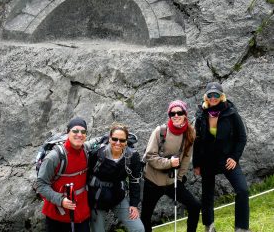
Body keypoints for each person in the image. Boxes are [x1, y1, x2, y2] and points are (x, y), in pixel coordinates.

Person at [193, 82, 250, 232]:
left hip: (227, 159)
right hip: (207, 160)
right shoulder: (200, 114)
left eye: (216, 94)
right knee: (207, 195)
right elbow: (197, 141)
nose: (213, 97)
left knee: (243, 190)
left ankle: (241, 228)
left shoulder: (231, 113)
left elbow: (242, 137)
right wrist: (196, 164)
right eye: (210, 95)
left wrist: (234, 157)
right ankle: (209, 226)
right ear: (206, 97)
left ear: (222, 96)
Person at [141, 100, 201, 232]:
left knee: (195, 206)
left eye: (179, 112)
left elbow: (186, 158)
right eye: (172, 113)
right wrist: (169, 163)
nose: (176, 115)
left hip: (172, 182)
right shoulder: (159, 131)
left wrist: (179, 178)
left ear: (185, 114)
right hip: (152, 182)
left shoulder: (190, 133)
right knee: (145, 216)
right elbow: (149, 156)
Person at [88, 123, 144, 232]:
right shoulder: (98, 154)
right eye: (115, 139)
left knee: (138, 229)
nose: (118, 143)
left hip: (118, 196)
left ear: (126, 142)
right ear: (109, 139)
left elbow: (135, 180)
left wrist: (134, 204)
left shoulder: (132, 156)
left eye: (122, 140)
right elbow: (86, 174)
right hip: (97, 198)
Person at [37, 117, 90, 232]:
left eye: (83, 131)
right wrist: (61, 200)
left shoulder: (86, 150)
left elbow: (96, 141)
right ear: (68, 132)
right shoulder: (54, 157)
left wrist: (113, 137)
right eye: (75, 131)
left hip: (81, 213)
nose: (79, 134)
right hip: (57, 215)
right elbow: (41, 185)